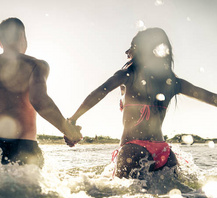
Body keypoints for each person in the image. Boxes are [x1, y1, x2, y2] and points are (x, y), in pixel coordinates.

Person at [67, 27, 217, 179]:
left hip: (133, 150)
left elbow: (99, 92)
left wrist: (72, 120)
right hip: (165, 154)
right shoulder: (174, 82)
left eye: (132, 47)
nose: (127, 52)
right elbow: (210, 98)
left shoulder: (127, 75)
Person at [0, 17, 82, 168]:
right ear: (23, 37)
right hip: (23, 148)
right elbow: (39, 100)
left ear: (1, 42)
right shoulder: (36, 65)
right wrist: (69, 130)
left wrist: (0, 112)